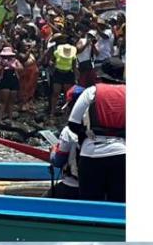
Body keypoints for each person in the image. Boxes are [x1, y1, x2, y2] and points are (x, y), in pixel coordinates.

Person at [68, 56, 124, 202]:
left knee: (90, 204)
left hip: (92, 154)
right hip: (123, 154)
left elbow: (73, 124)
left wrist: (86, 135)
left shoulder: (91, 92)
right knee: (120, 204)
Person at [49, 86, 84, 199]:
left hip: (71, 185)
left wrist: (53, 150)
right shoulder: (100, 127)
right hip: (94, 186)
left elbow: (58, 161)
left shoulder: (69, 131)